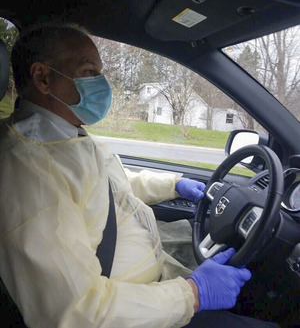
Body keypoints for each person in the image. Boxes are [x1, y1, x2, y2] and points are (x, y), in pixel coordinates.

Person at [0, 23, 278, 328]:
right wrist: (194, 295)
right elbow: (77, 311)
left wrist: (174, 185)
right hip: (133, 312)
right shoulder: (29, 169)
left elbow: (111, 185)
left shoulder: (63, 136)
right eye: (89, 71)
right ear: (43, 77)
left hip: (151, 287)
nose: (102, 83)